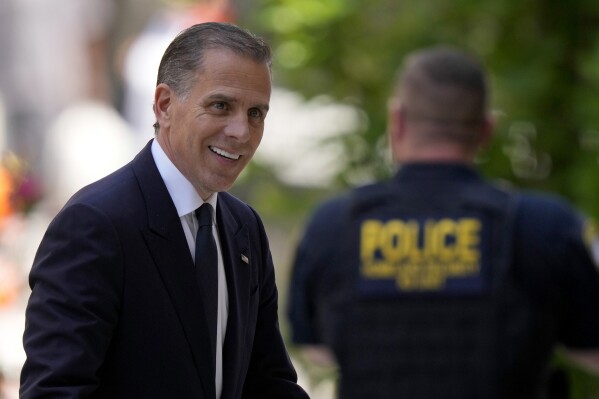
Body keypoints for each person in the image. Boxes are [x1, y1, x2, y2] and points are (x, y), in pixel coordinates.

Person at [287, 46, 599, 398]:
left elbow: (315, 347)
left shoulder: (333, 224)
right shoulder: (545, 226)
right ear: (485, 129)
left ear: (398, 121)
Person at [20, 22, 310, 399]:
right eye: (221, 106)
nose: (241, 131)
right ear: (165, 105)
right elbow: (55, 391)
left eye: (256, 113)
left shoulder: (244, 228)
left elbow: (268, 384)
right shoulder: (94, 225)